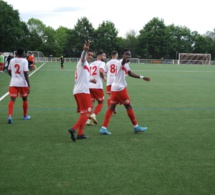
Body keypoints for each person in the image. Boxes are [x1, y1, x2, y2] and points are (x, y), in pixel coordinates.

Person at [99, 48, 151, 135]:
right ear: (122, 55)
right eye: (126, 54)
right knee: (128, 106)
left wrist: (143, 77)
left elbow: (130, 73)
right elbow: (122, 62)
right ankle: (136, 127)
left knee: (111, 108)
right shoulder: (121, 62)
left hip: (115, 88)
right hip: (120, 89)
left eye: (129, 54)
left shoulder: (126, 63)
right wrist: (124, 59)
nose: (128, 56)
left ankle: (103, 128)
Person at [68, 41, 96, 142]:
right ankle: (73, 129)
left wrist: (91, 79)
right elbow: (83, 57)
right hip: (82, 91)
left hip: (79, 90)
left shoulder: (86, 64)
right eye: (89, 54)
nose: (90, 56)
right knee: (87, 113)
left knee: (83, 114)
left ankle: (80, 133)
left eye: (91, 55)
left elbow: (82, 77)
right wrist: (85, 50)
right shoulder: (82, 61)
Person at [7, 48, 31, 124]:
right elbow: (26, 73)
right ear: (23, 53)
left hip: (13, 83)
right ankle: (25, 116)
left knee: (12, 100)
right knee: (24, 99)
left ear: (17, 53)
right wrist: (29, 85)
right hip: (22, 83)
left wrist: (13, 77)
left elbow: (9, 71)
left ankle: (10, 116)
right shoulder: (24, 61)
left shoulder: (12, 60)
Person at [86, 50, 107, 125]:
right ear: (100, 56)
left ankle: (87, 120)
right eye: (104, 55)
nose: (105, 57)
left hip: (89, 86)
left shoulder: (91, 64)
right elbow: (101, 71)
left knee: (91, 103)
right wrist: (104, 77)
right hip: (97, 86)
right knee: (101, 102)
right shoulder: (102, 63)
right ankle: (93, 114)